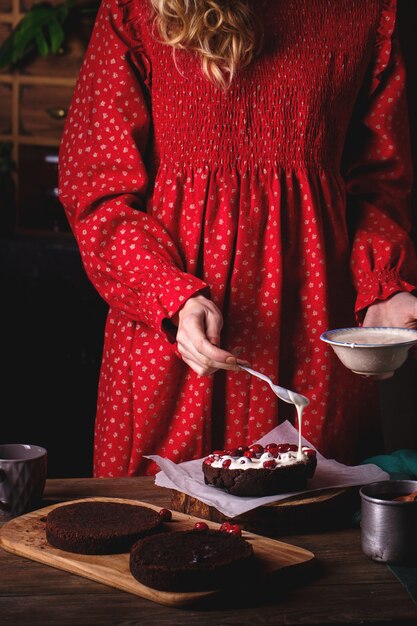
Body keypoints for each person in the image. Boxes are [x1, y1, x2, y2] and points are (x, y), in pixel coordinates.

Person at [59, 0, 417, 477]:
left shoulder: (368, 11)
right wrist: (170, 294)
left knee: (318, 529)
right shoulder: (134, 8)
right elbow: (97, 188)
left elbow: (380, 183)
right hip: (177, 337)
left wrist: (383, 287)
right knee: (158, 530)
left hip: (313, 335)